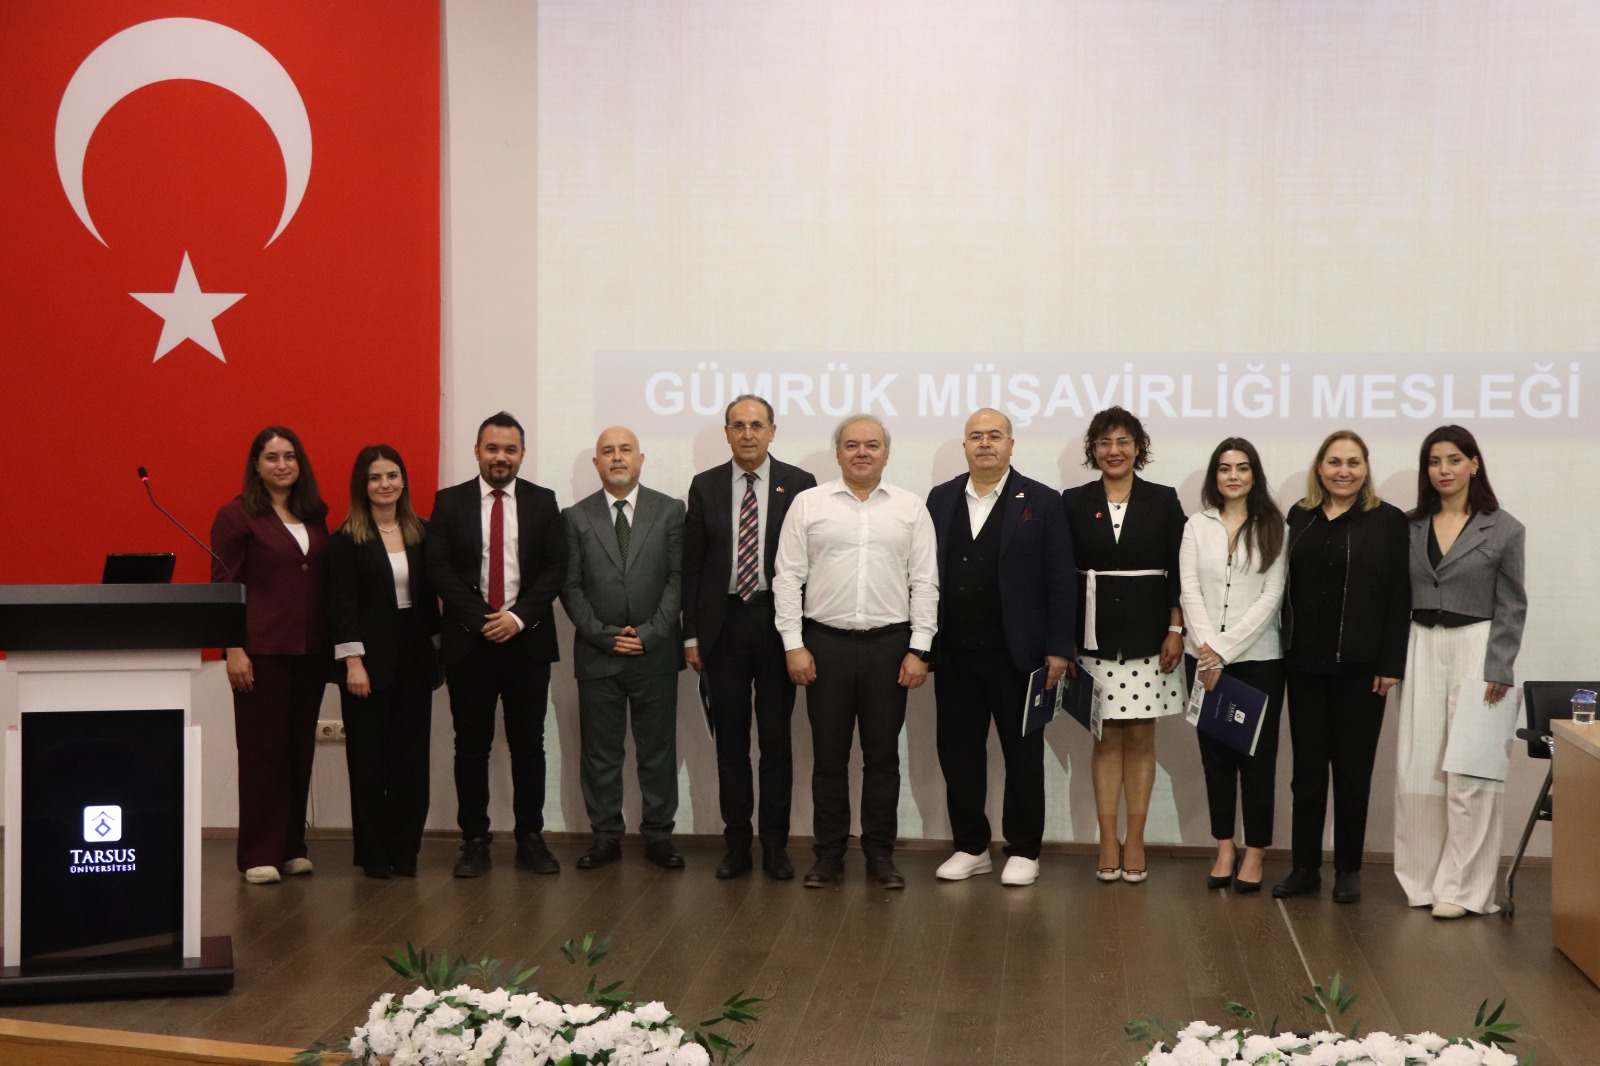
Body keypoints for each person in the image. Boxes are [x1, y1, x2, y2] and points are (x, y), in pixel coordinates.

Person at [773, 413, 938, 888]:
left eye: (871, 445)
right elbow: (787, 578)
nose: (861, 452)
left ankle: (880, 855)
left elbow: (925, 582)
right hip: (824, 646)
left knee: (882, 759)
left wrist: (920, 649)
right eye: (851, 445)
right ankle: (828, 854)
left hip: (891, 647)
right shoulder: (809, 504)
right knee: (829, 759)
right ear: (838, 452)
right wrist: (793, 645)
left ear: (886, 453)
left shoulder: (909, 507)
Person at [926, 409, 1075, 887]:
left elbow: (1061, 579)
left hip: (1020, 656)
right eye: (976, 436)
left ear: (1011, 445)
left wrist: (1058, 647)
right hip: (955, 653)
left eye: (995, 435)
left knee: (1023, 756)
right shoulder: (941, 498)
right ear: (964, 446)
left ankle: (1025, 849)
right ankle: (971, 847)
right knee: (960, 754)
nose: (985, 443)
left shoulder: (1043, 500)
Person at [425, 412, 567, 878]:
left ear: (522, 454)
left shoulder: (544, 502)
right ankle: (474, 841)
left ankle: (530, 837)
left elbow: (555, 569)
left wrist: (517, 618)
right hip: (470, 643)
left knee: (529, 744)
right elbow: (439, 568)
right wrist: (483, 619)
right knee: (471, 746)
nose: (500, 457)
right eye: (492, 448)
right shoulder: (449, 502)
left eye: (510, 449)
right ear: (477, 452)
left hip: (527, 641)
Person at [1393, 426, 1526, 918]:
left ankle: (1464, 889)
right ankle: (1422, 881)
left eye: (1453, 459)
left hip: (1478, 647)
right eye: (1434, 461)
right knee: (1419, 768)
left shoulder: (1504, 528)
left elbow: (1512, 604)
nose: (1443, 470)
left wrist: (1500, 666)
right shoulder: (1410, 526)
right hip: (1421, 644)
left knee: (1472, 770)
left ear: (1474, 463)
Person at [683, 394, 817, 881]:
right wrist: (691, 636)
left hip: (777, 623)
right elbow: (692, 566)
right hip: (723, 627)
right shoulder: (705, 486)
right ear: (727, 433)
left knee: (777, 743)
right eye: (737, 425)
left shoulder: (799, 484)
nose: (747, 434)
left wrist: (802, 634)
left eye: (756, 425)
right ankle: (737, 844)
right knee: (731, 744)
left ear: (772, 431)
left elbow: (812, 563)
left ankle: (775, 845)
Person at [1274, 430, 1410, 904]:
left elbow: (1399, 596)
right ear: (1320, 468)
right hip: (1304, 667)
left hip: (1362, 668)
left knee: (1353, 773)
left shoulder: (1388, 520)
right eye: (1334, 462)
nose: (1344, 471)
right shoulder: (1300, 516)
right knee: (1307, 775)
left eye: (1353, 462)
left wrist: (1391, 662)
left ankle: (1348, 869)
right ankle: (1305, 867)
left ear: (1366, 468)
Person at [1060, 406, 1186, 885]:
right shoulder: (1073, 501)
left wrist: (1176, 629)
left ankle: (1136, 838)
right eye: (1105, 442)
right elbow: (1060, 574)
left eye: (1124, 442)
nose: (1114, 451)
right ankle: (1107, 839)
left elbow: (1179, 570)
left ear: (1138, 448)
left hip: (1150, 637)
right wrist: (1064, 641)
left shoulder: (1163, 499)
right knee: (1105, 739)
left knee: (1140, 739)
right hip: (1093, 638)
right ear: (1093, 450)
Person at [560, 427, 686, 869]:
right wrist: (603, 634)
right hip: (599, 655)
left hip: (656, 653)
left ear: (640, 459)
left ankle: (659, 835)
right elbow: (570, 586)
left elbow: (677, 579)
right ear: (597, 463)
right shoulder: (575, 517)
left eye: (625, 450)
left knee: (658, 752)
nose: (617, 457)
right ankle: (605, 836)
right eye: (608, 451)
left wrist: (651, 633)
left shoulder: (670, 511)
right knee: (600, 754)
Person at [210, 426, 330, 885]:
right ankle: (259, 852)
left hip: (309, 650)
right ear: (256, 466)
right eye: (272, 457)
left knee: (299, 750)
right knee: (263, 753)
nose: (283, 465)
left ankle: (292, 847)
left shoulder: (313, 514)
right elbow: (224, 586)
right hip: (259, 652)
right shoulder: (236, 515)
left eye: (290, 456)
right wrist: (233, 648)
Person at [1178, 437, 1287, 894]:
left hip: (1259, 661)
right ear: (1215, 476)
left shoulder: (1274, 525)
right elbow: (1189, 590)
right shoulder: (1196, 525)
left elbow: (1271, 595)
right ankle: (1225, 847)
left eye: (1242, 468)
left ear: (1254, 475)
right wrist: (1208, 652)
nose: (1233, 476)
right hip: (1203, 662)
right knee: (1216, 760)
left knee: (1258, 763)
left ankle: (1256, 851)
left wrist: (1222, 650)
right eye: (1225, 468)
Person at [330, 445, 441, 879]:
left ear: (403, 481)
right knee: (368, 762)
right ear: (363, 484)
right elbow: (341, 604)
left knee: (411, 762)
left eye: (392, 475)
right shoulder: (346, 538)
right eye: (375, 477)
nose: (385, 484)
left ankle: (405, 852)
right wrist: (353, 662)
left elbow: (431, 601)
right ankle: (374, 856)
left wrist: (438, 655)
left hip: (415, 656)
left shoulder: (422, 531)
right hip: (368, 660)